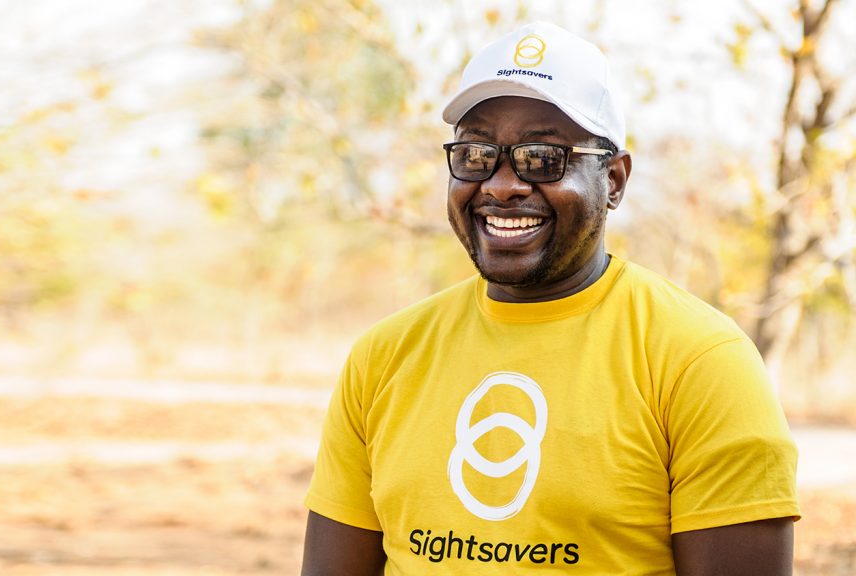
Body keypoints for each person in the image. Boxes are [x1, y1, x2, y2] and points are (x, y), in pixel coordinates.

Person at [300, 21, 800, 576]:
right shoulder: (384, 356)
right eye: (475, 154)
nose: (501, 184)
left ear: (614, 180)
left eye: (542, 157)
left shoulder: (700, 362)